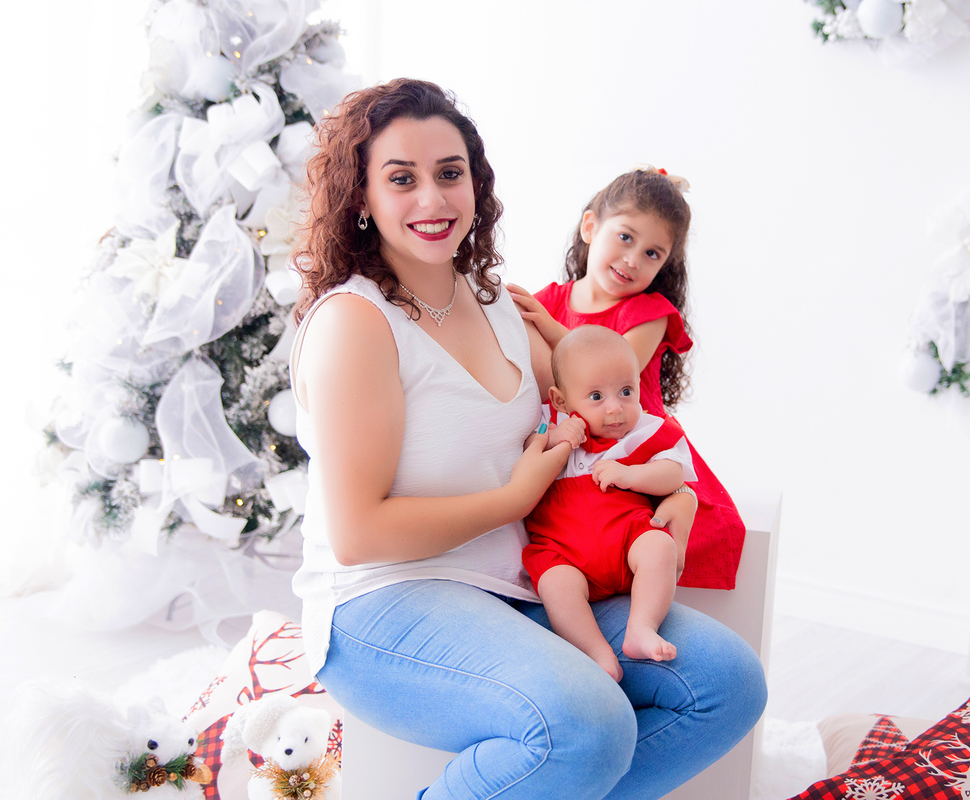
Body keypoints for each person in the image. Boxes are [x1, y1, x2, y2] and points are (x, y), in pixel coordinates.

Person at [288, 78, 766, 800]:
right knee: (590, 725)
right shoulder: (355, 323)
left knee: (727, 684)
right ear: (362, 196)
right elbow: (358, 536)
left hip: (522, 580)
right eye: (402, 178)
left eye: (450, 173)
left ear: (475, 184)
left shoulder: (495, 301)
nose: (432, 199)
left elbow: (600, 414)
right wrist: (512, 498)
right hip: (384, 598)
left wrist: (677, 495)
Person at [509, 167, 747, 592]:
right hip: (574, 461)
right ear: (590, 226)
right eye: (625, 237)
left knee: (650, 536)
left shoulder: (648, 313)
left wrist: (548, 327)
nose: (633, 260)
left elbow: (613, 362)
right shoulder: (550, 301)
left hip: (635, 449)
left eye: (653, 253)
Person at [524, 325, 696, 682]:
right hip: (565, 554)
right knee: (555, 586)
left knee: (660, 547)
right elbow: (526, 453)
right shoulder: (550, 425)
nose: (616, 408)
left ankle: (641, 627)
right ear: (560, 401)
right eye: (597, 397)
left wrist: (631, 475)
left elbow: (674, 473)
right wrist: (554, 439)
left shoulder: (644, 431)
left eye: (626, 391)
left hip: (629, 542)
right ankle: (597, 653)